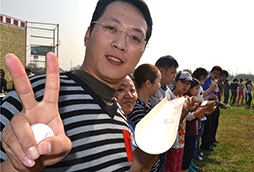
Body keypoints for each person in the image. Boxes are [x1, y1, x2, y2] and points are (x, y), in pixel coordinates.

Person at [0, 0, 153, 171]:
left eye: (134, 37)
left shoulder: (120, 117)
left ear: (142, 52)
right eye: (111, 28)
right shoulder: (36, 96)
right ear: (88, 35)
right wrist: (18, 166)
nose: (121, 44)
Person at [115, 75, 159, 172]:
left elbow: (146, 168)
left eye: (132, 90)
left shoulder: (132, 126)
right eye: (121, 89)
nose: (129, 95)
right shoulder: (113, 130)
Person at [127, 63, 161, 171]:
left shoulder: (148, 105)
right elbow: (150, 141)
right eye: (158, 82)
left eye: (132, 91)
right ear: (148, 83)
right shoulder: (136, 109)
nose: (160, 86)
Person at [148, 55, 178, 172]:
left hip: (163, 139)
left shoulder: (168, 91)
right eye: (172, 73)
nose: (174, 77)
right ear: (161, 71)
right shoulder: (152, 91)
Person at [181, 77, 216, 172]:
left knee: (190, 151)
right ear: (190, 89)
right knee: (186, 152)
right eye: (196, 89)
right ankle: (186, 168)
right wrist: (205, 110)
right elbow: (189, 117)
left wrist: (207, 112)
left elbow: (197, 116)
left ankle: (189, 165)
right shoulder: (186, 100)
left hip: (193, 129)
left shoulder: (193, 100)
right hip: (187, 131)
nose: (198, 91)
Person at [164, 71, 193, 171]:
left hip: (180, 140)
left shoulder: (184, 99)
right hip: (172, 142)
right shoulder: (171, 98)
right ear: (175, 82)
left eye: (188, 84)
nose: (186, 86)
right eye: (183, 82)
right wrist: (187, 110)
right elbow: (173, 122)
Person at [200, 66, 222, 151]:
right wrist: (210, 95)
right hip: (206, 105)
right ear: (211, 72)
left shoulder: (215, 83)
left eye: (218, 74)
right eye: (215, 73)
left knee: (212, 125)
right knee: (207, 127)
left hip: (213, 105)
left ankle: (210, 141)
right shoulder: (206, 81)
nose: (216, 76)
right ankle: (205, 145)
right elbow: (203, 94)